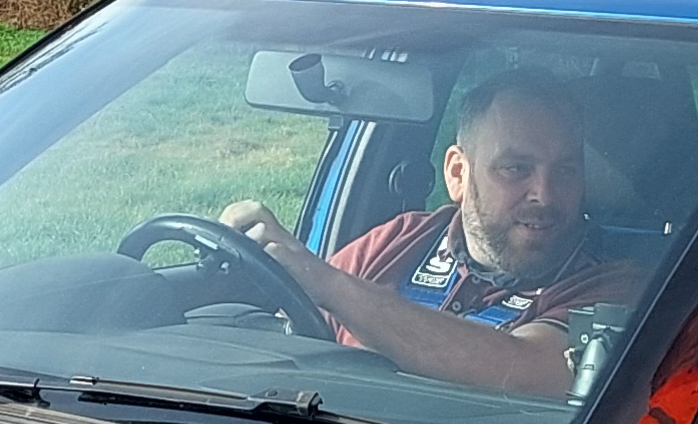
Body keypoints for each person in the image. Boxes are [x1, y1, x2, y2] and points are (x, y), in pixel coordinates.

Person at [217, 77, 643, 398]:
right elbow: (291, 339)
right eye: (516, 169)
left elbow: (524, 371)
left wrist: (324, 280)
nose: (545, 195)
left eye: (566, 171)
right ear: (458, 173)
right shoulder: (402, 239)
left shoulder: (611, 285)